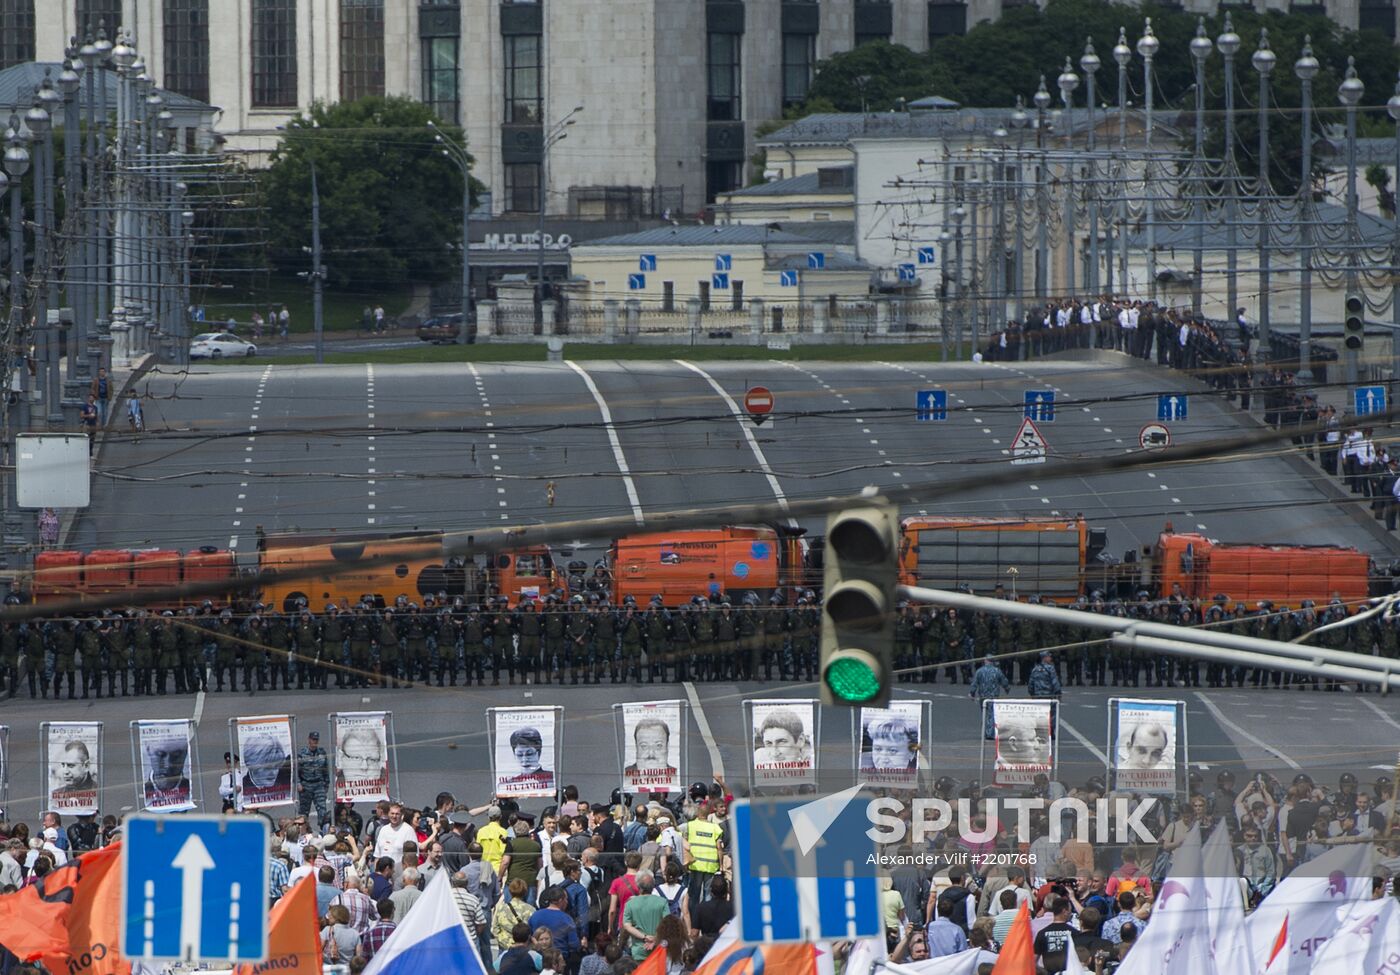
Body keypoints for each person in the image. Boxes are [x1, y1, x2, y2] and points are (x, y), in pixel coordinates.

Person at [142, 730, 191, 806]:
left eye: (176, 756)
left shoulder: (193, 790)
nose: (168, 764)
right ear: (148, 749)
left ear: (186, 752)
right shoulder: (140, 791)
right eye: (160, 755)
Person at [241, 734, 292, 805]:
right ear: (251, 765)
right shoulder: (242, 788)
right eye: (268, 768)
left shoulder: (284, 784)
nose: (273, 773)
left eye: (276, 766)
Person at [297, 730, 330, 825]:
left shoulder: (322, 753)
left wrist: (326, 785)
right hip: (306, 785)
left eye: (316, 740)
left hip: (319, 785)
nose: (315, 742)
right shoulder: (302, 754)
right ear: (309, 740)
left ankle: (324, 832)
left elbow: (325, 770)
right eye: (313, 739)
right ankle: (303, 832)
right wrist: (298, 783)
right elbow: (296, 771)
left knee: (322, 811)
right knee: (303, 812)